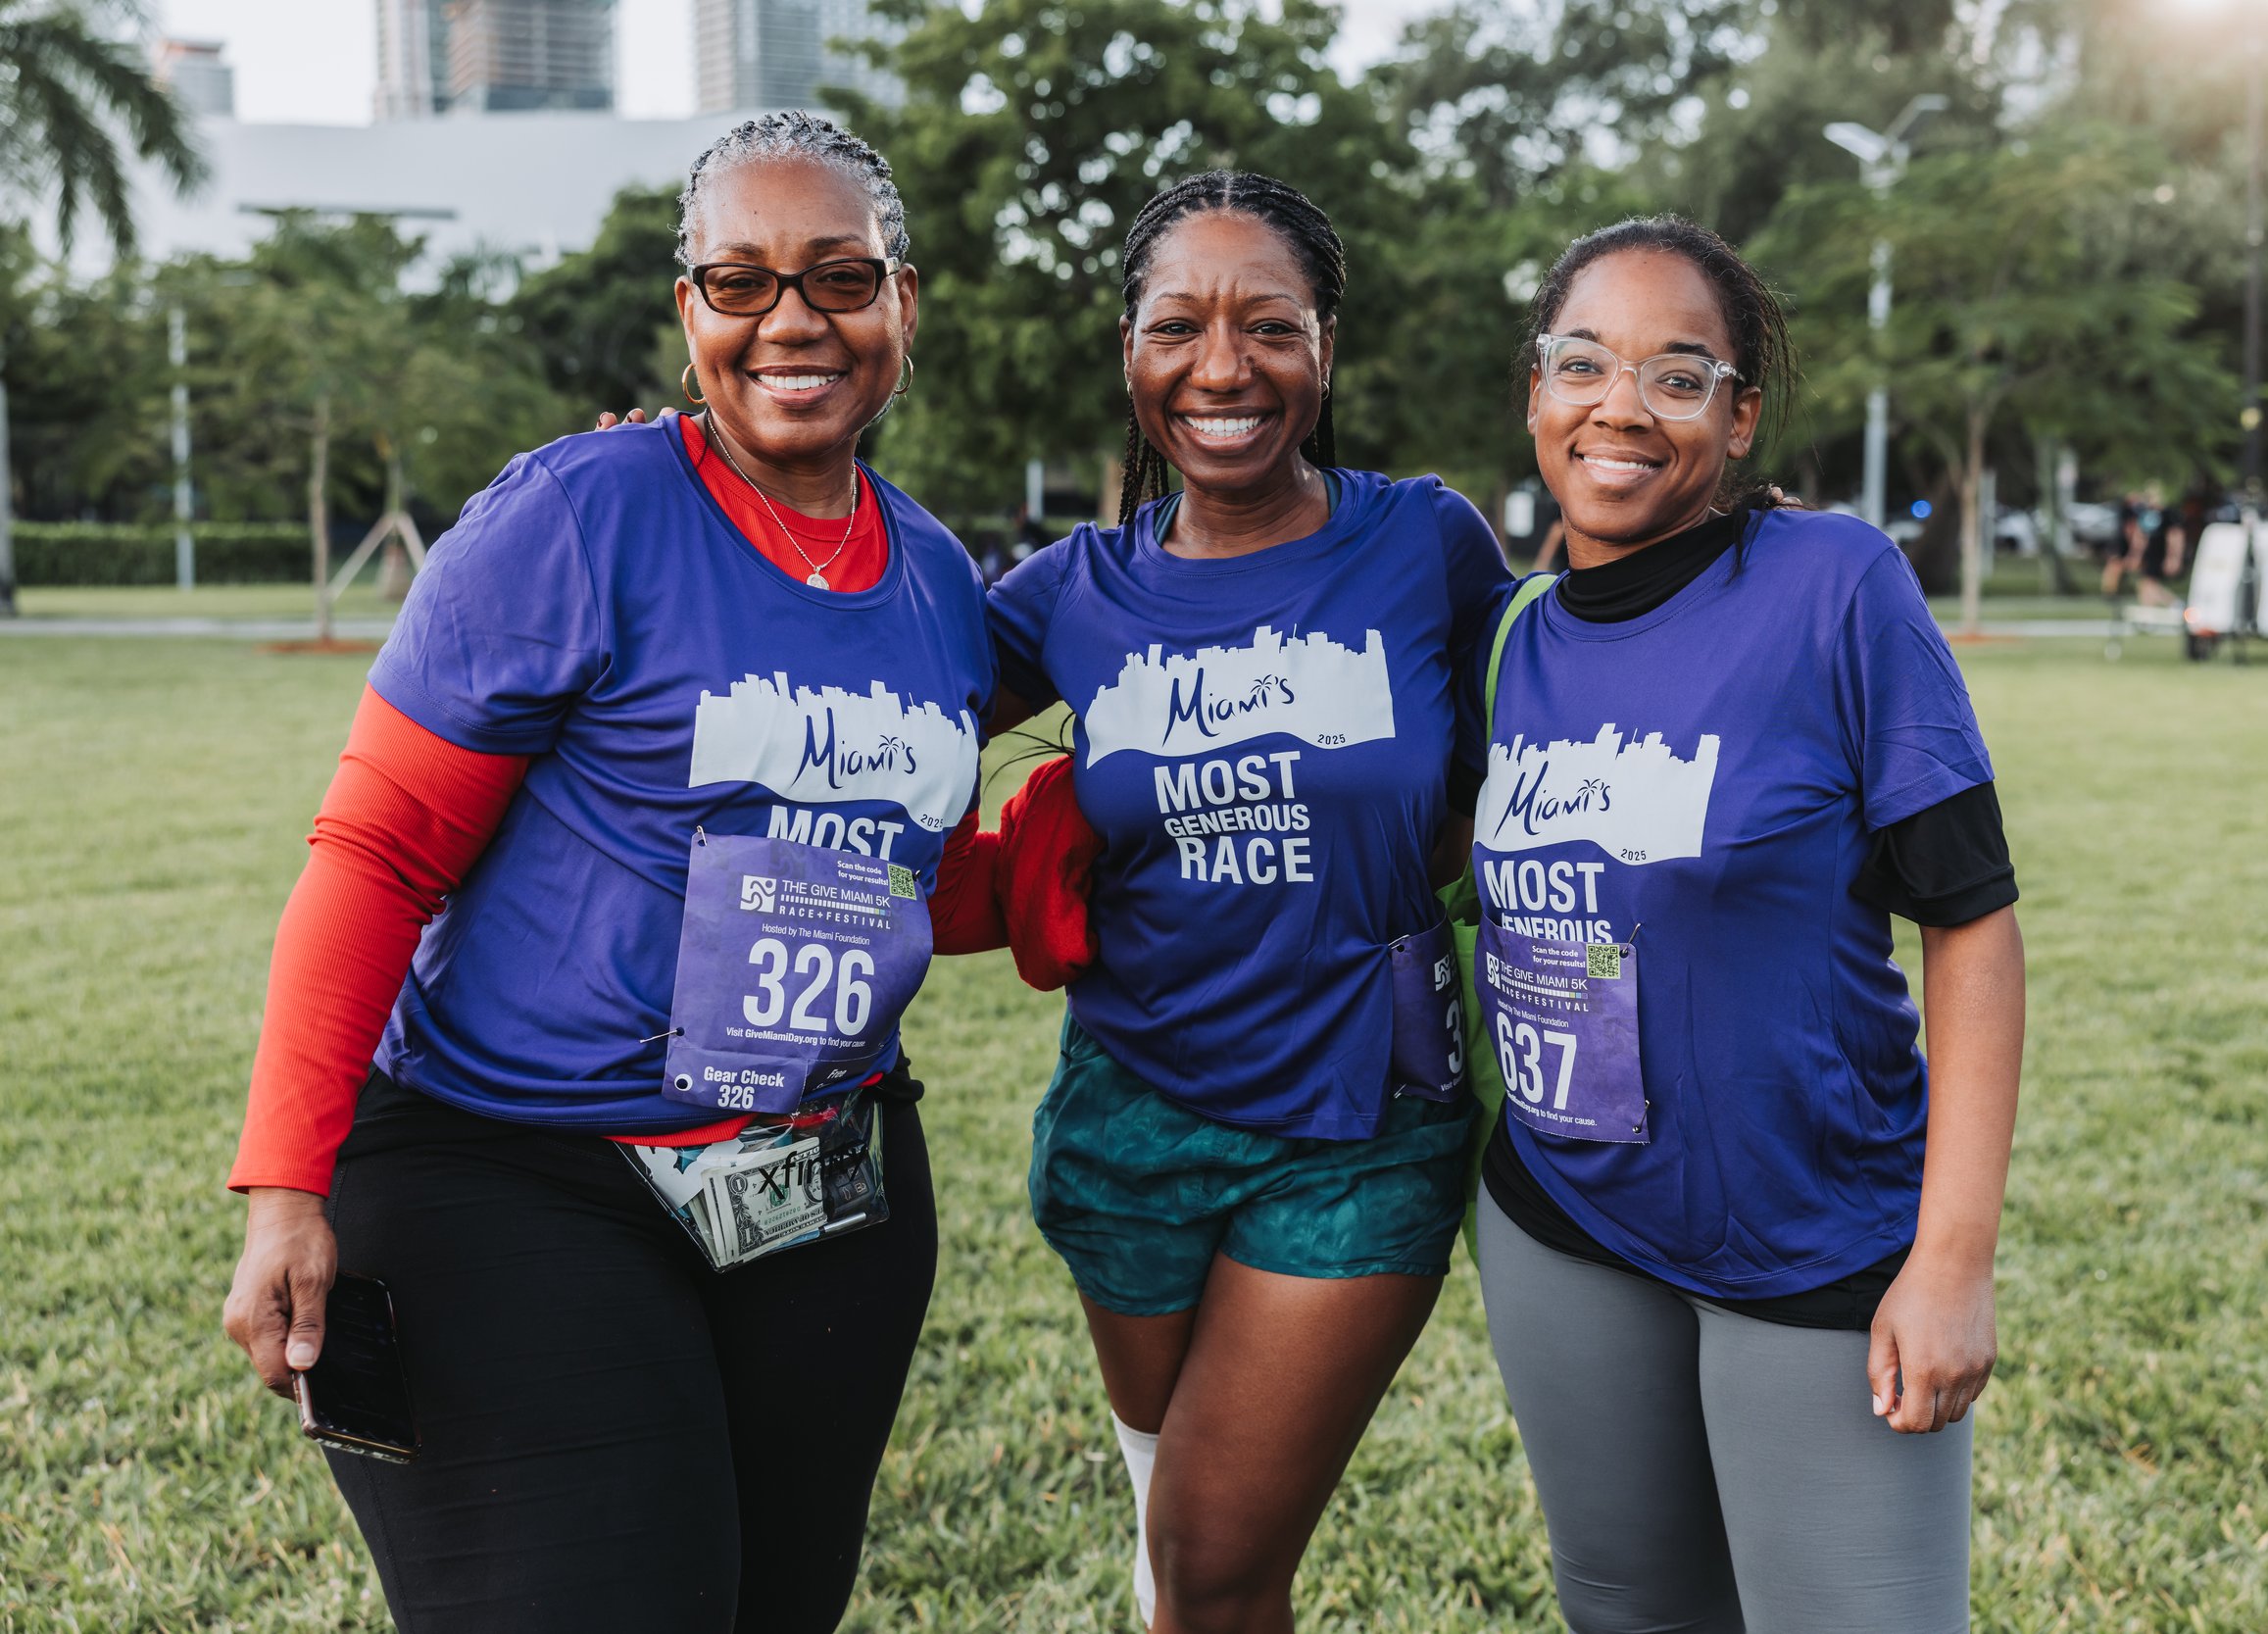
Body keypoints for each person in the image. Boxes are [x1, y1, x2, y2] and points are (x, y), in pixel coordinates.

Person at [219, 113, 1004, 1632]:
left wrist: (1063, 870)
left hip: (818, 1185)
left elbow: (891, 877)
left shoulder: (937, 582)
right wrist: (282, 1188)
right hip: (515, 1166)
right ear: (688, 311)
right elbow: (377, 851)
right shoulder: (578, 517)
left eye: (840, 277)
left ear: (906, 302)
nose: (793, 319)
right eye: (741, 280)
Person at [1464, 217, 2026, 1633]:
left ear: (1740, 412)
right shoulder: (1511, 637)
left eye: (1678, 374)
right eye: (1583, 362)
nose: (1621, 408)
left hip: (1811, 1234)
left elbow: (1971, 923)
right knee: (1626, 1611)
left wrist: (1952, 1258)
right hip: (1565, 1220)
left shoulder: (1835, 584)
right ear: (1535, 389)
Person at [984, 172, 1510, 1633]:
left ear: (1326, 347)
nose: (1224, 368)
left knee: (1213, 1563)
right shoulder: (1066, 592)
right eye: (1179, 327)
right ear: (1131, 351)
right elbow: (858, 696)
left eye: (1269, 325)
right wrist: (684, 504)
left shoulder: (1424, 543)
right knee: (1183, 1559)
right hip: (1127, 1123)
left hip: (1357, 1126)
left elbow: (1569, 699)